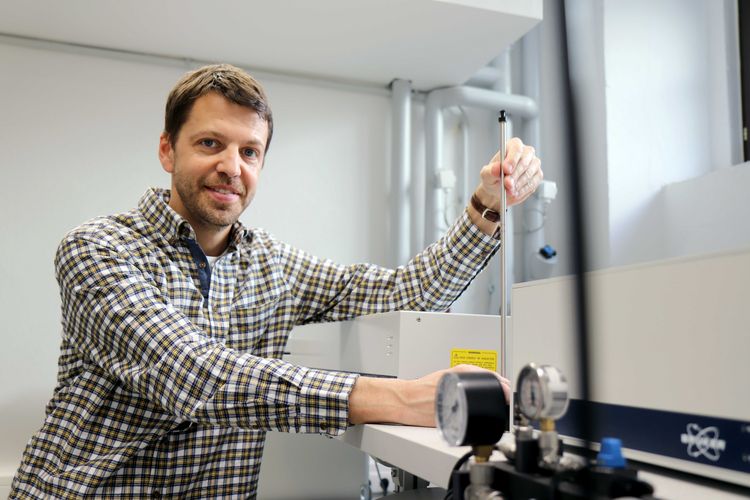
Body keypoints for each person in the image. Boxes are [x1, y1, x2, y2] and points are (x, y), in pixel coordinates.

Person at [10, 64, 542, 498]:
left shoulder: (273, 266)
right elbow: (198, 378)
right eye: (210, 143)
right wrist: (407, 399)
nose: (231, 166)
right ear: (168, 150)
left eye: (249, 152)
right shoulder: (97, 249)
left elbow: (406, 292)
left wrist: (486, 208)